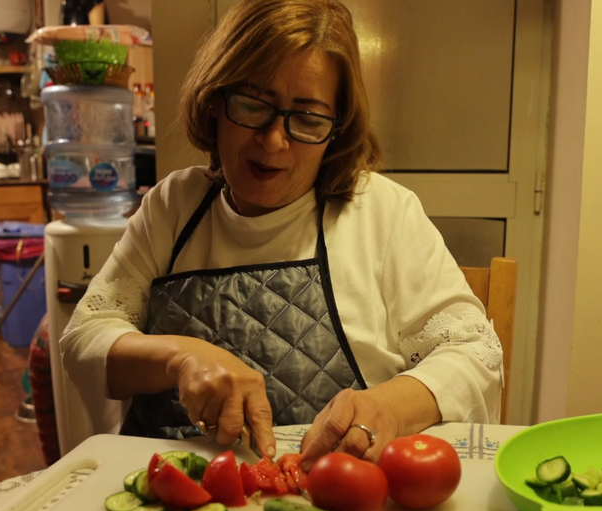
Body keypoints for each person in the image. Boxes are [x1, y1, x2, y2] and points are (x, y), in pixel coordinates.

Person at [60, 0, 503, 469]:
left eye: (308, 119)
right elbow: (84, 337)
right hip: (179, 500)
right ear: (215, 102)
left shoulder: (381, 212)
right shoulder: (174, 206)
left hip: (329, 500)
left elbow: (477, 352)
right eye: (253, 105)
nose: (273, 141)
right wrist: (181, 355)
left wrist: (389, 405)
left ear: (337, 129)